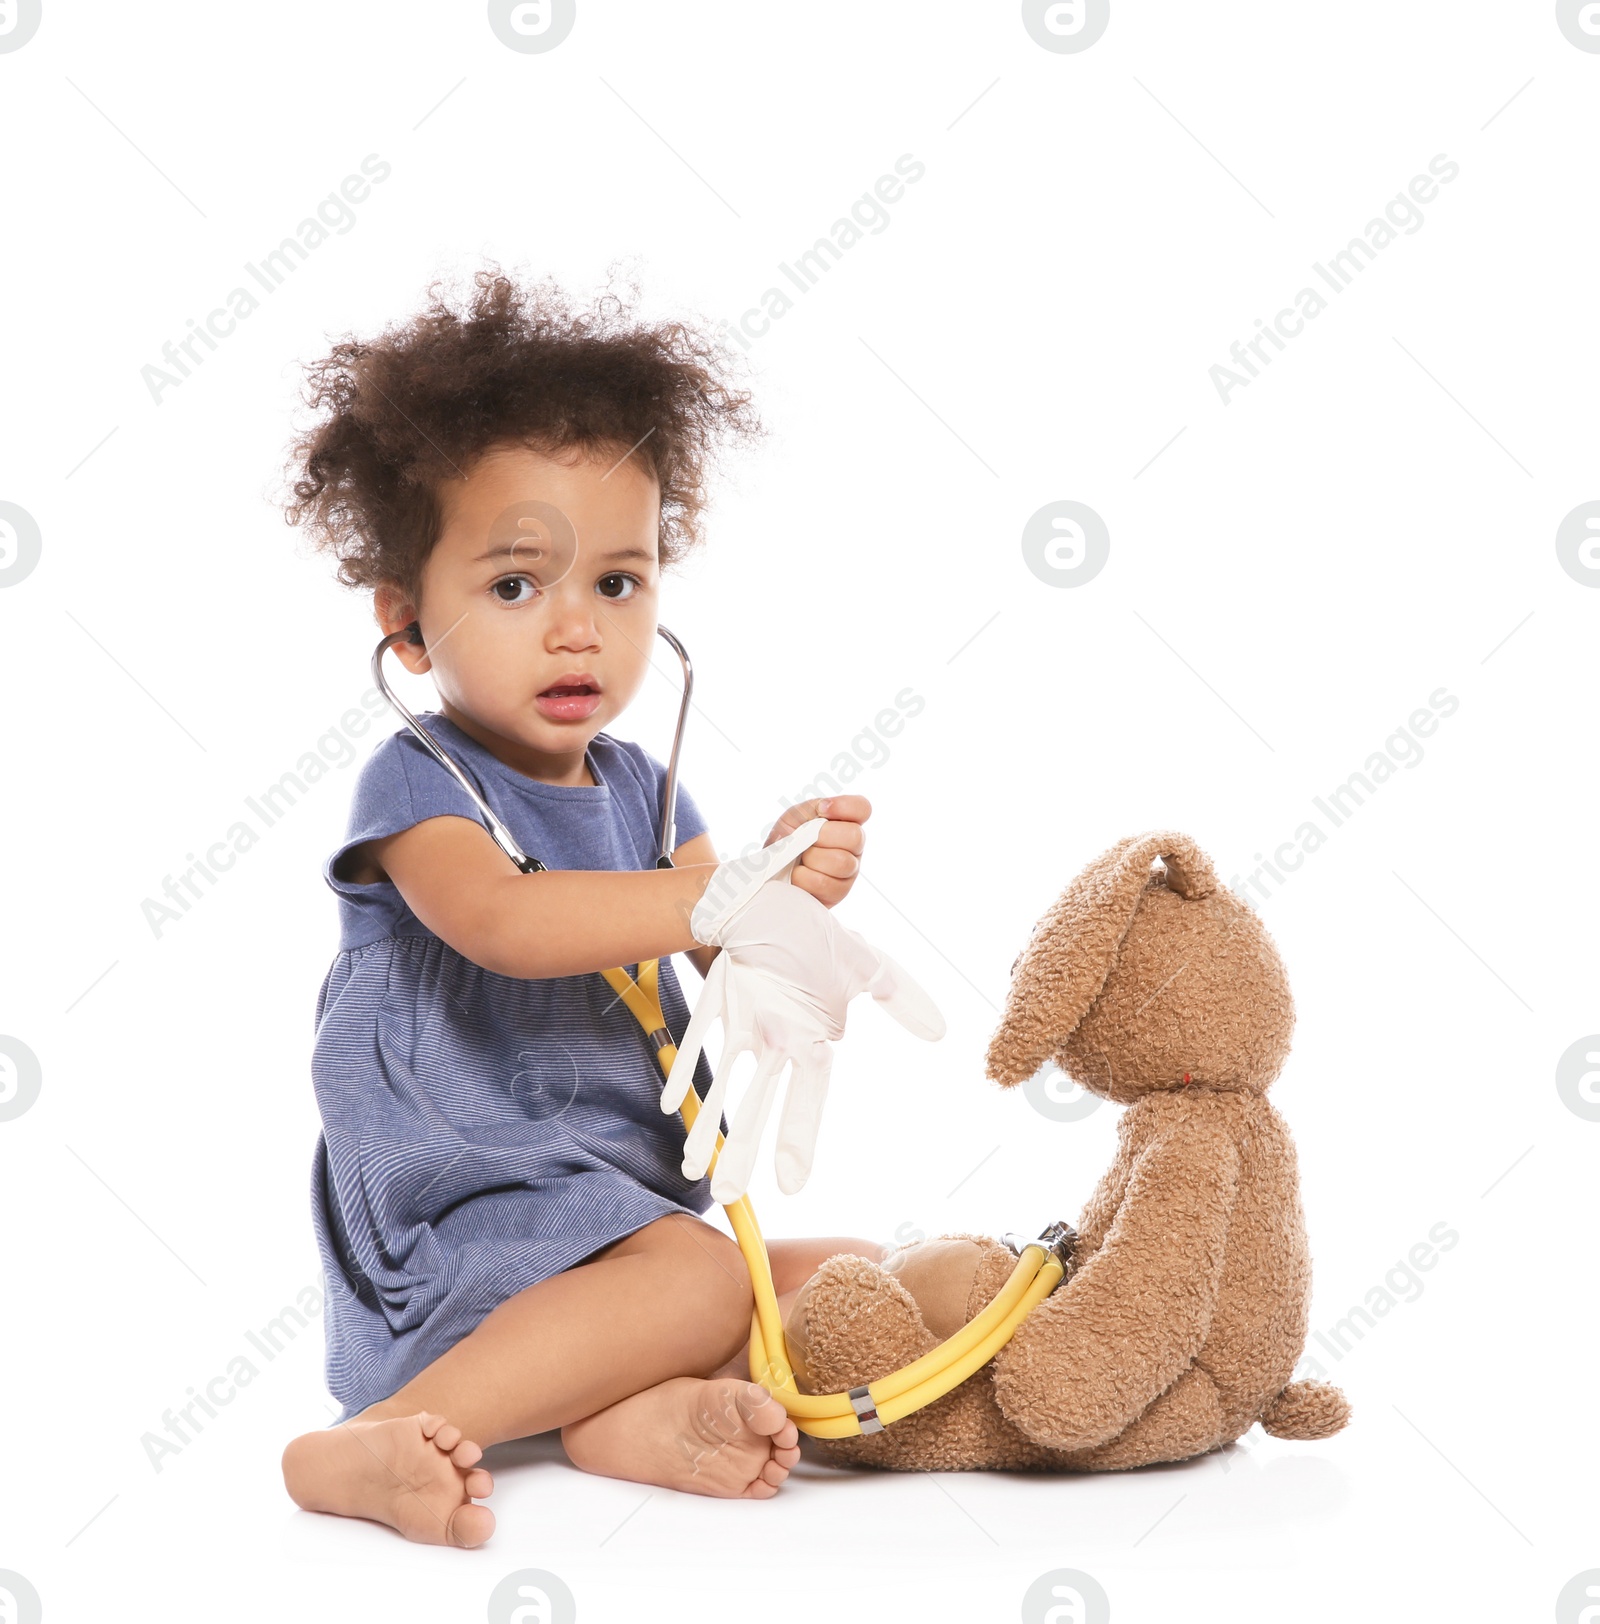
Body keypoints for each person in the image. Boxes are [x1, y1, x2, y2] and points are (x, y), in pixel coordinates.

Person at [275, 267, 896, 1545]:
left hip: (609, 1210)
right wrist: (712, 898)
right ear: (403, 622)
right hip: (467, 1212)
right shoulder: (421, 791)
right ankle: (362, 1446)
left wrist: (786, 907)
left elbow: (717, 941)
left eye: (616, 583)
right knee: (693, 1275)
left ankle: (614, 1418)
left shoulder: (649, 787)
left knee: (839, 1279)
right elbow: (506, 922)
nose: (575, 632)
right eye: (515, 586)